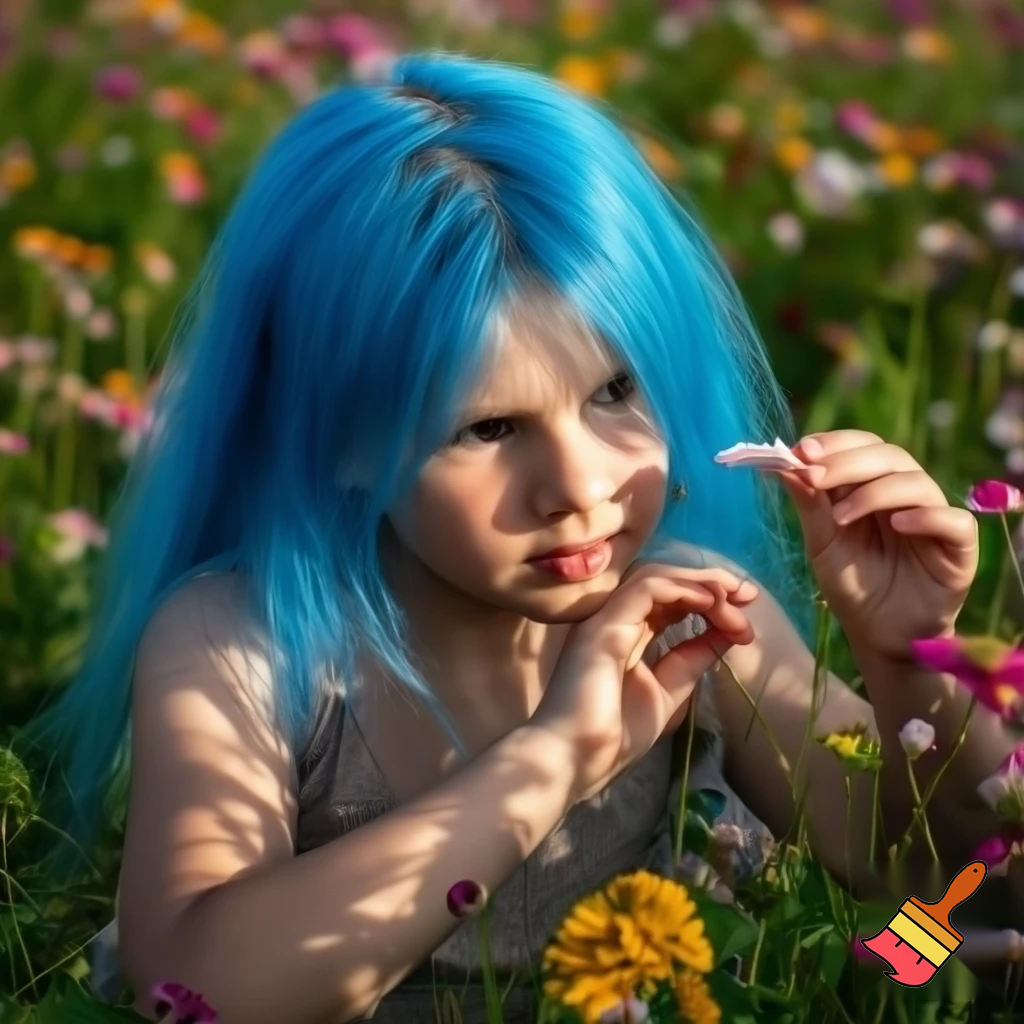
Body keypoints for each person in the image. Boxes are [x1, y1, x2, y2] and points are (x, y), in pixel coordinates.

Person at [22, 50, 1018, 1024]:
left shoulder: (697, 618)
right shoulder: (245, 638)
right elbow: (192, 985)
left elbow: (930, 871)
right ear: (340, 440)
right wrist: (555, 755)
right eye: (488, 429)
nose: (578, 487)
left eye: (615, 391)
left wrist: (911, 659)